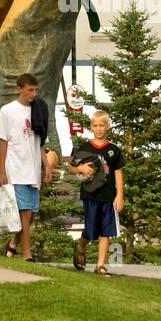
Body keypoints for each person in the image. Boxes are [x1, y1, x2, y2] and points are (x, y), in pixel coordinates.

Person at [0, 72, 52, 260]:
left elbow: (41, 142)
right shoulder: (7, 111)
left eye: (36, 90)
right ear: (19, 89)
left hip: (33, 169)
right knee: (24, 213)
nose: (34, 94)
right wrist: (1, 171)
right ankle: (27, 255)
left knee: (32, 214)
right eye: (30, 90)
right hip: (16, 169)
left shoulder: (40, 109)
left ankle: (12, 244)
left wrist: (47, 165)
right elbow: (3, 144)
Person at [67, 110, 124, 276]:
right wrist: (81, 168)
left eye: (102, 125)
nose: (99, 129)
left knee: (106, 231)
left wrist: (119, 195)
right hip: (91, 195)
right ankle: (81, 246)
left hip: (108, 196)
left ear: (107, 126)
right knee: (91, 232)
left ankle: (100, 265)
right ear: (91, 126)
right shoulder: (84, 148)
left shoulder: (114, 150)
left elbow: (118, 172)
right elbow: (70, 168)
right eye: (96, 125)